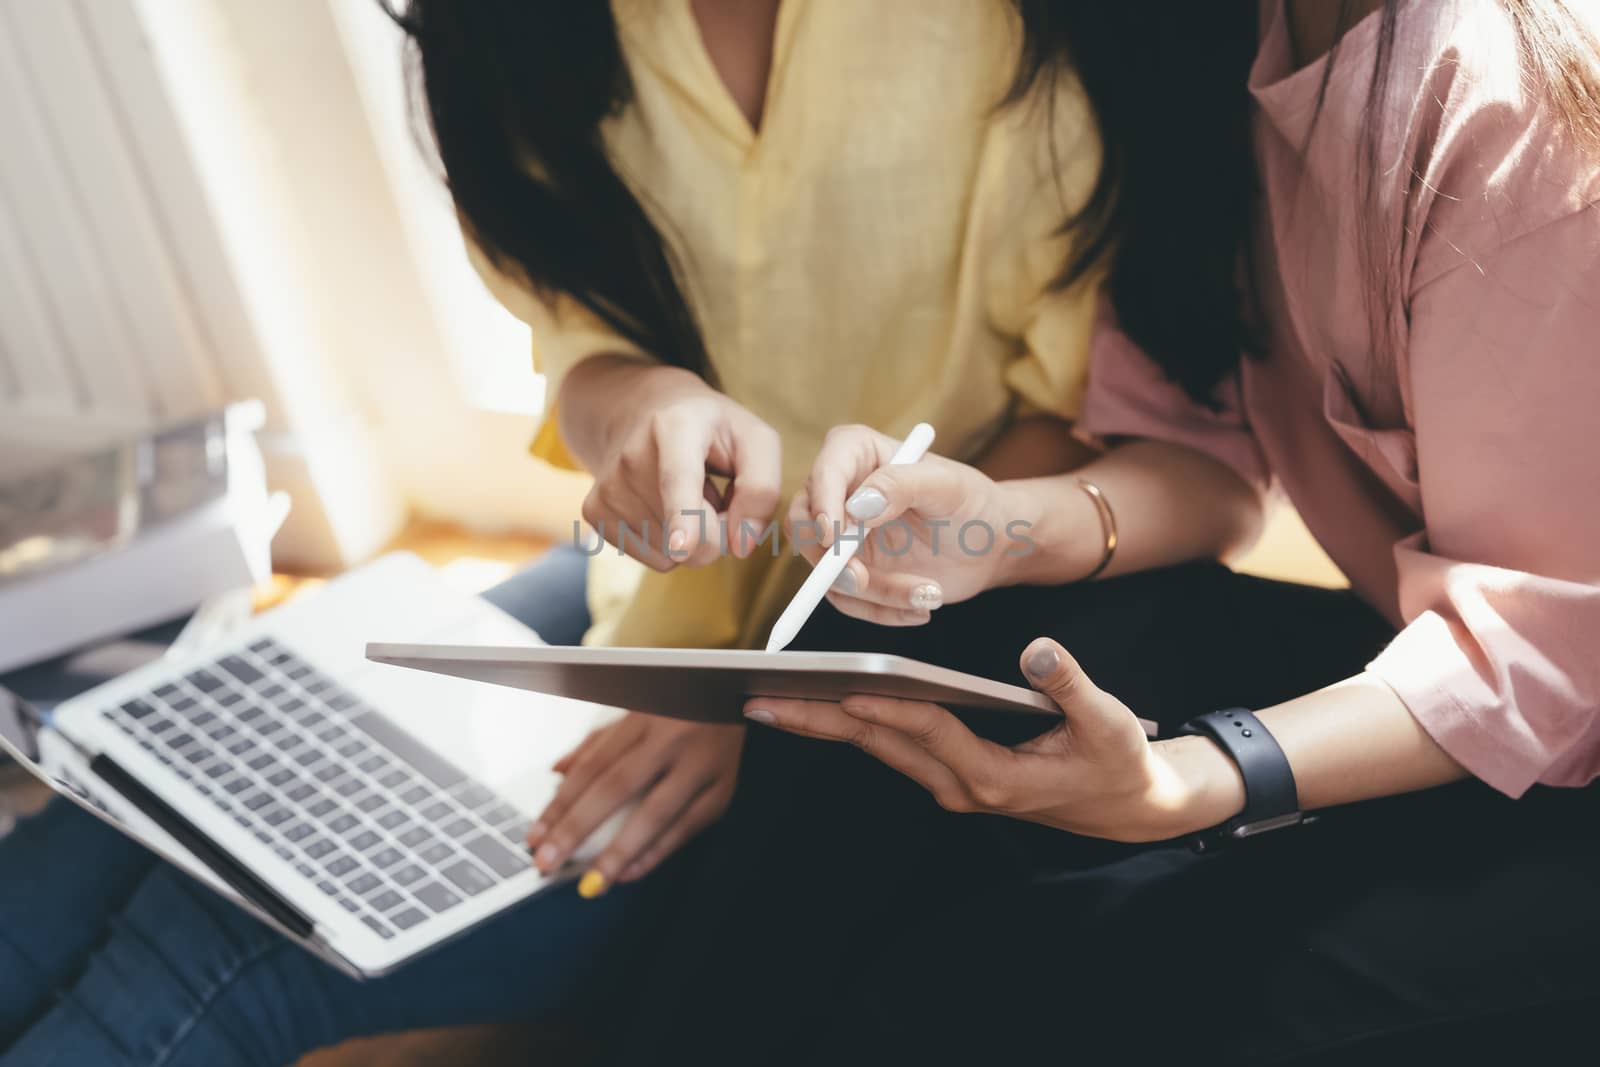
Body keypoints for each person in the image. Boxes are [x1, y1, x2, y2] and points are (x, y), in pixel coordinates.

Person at [0, 2, 1118, 1064]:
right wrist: (640, 404)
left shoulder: (1012, 39)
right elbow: (575, 331)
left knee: (209, 952)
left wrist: (742, 680)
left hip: (895, 634)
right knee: (135, 798)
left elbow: (1082, 419)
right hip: (646, 605)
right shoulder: (518, 31)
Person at [607, 1, 1600, 1063]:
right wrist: (1001, 524)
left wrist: (1198, 778)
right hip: (1457, 678)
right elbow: (1203, 448)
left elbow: (1545, 651)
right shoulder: (1202, 42)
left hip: (1556, 746)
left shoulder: (1510, 103)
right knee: (899, 670)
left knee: (960, 996)